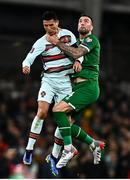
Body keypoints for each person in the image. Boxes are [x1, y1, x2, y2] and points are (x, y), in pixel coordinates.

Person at [22, 11, 102, 168]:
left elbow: (77, 51)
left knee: (59, 114)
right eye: (46, 26)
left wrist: (78, 60)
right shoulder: (41, 42)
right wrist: (26, 65)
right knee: (47, 114)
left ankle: (59, 152)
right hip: (50, 81)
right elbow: (28, 58)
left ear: (57, 23)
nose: (49, 28)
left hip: (69, 82)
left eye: (52, 25)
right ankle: (30, 149)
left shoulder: (72, 36)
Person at [46, 14, 105, 172]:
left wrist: (57, 42)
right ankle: (93, 143)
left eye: (87, 21)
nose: (83, 23)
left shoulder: (92, 40)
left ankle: (68, 149)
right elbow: (76, 54)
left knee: (57, 110)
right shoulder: (77, 43)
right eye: (80, 21)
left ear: (91, 27)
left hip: (88, 87)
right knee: (64, 126)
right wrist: (77, 61)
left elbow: (77, 53)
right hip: (78, 88)